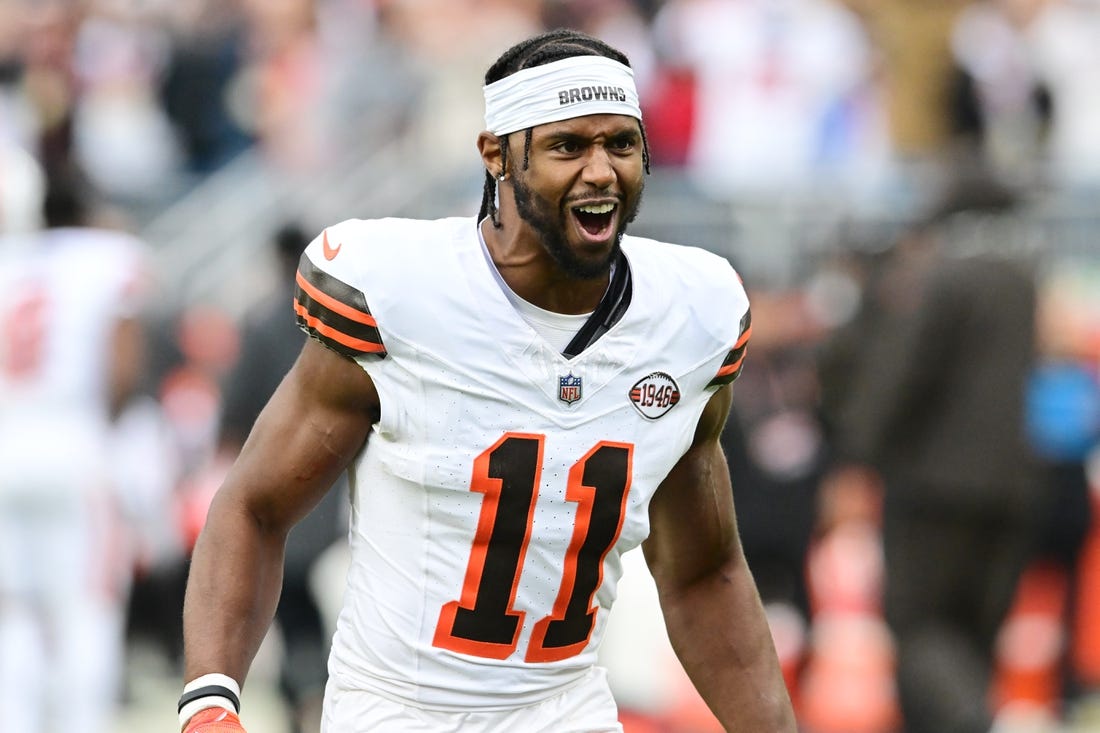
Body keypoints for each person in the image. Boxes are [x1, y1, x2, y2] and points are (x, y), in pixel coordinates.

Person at [179, 28, 796, 733]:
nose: (601, 171)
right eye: (568, 146)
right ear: (497, 154)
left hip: (566, 707)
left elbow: (702, 572)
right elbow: (255, 505)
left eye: (620, 144)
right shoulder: (402, 294)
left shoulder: (690, 316)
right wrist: (210, 700)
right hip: (397, 713)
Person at [818, 174, 1047, 733]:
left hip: (935, 486)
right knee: (974, 633)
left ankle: (975, 720)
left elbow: (903, 376)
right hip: (1014, 485)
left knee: (918, 626)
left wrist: (856, 456)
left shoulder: (944, 278)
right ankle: (973, 712)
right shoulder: (1024, 283)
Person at [0, 169, 151, 733]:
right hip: (74, 445)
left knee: (13, 610)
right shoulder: (107, 258)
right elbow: (123, 367)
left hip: (8, 444)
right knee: (87, 607)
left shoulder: (11, 264)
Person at [216, 221, 347, 733]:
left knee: (290, 611)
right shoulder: (343, 316)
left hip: (280, 485)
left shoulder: (262, 321)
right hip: (338, 488)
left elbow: (234, 415)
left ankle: (305, 696)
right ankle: (321, 697)